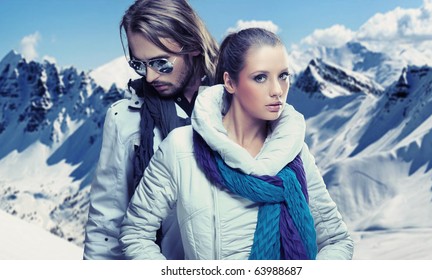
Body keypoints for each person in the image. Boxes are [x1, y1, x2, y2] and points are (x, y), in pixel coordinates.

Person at [119, 27, 354, 260]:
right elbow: (136, 233)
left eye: (283, 76)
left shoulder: (295, 153)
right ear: (230, 82)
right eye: (260, 77)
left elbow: (336, 241)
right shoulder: (180, 148)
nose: (277, 91)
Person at [82, 0, 220, 260]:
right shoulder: (124, 119)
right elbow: (106, 229)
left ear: (191, 45)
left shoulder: (241, 104)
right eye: (139, 65)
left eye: (161, 63)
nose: (150, 77)